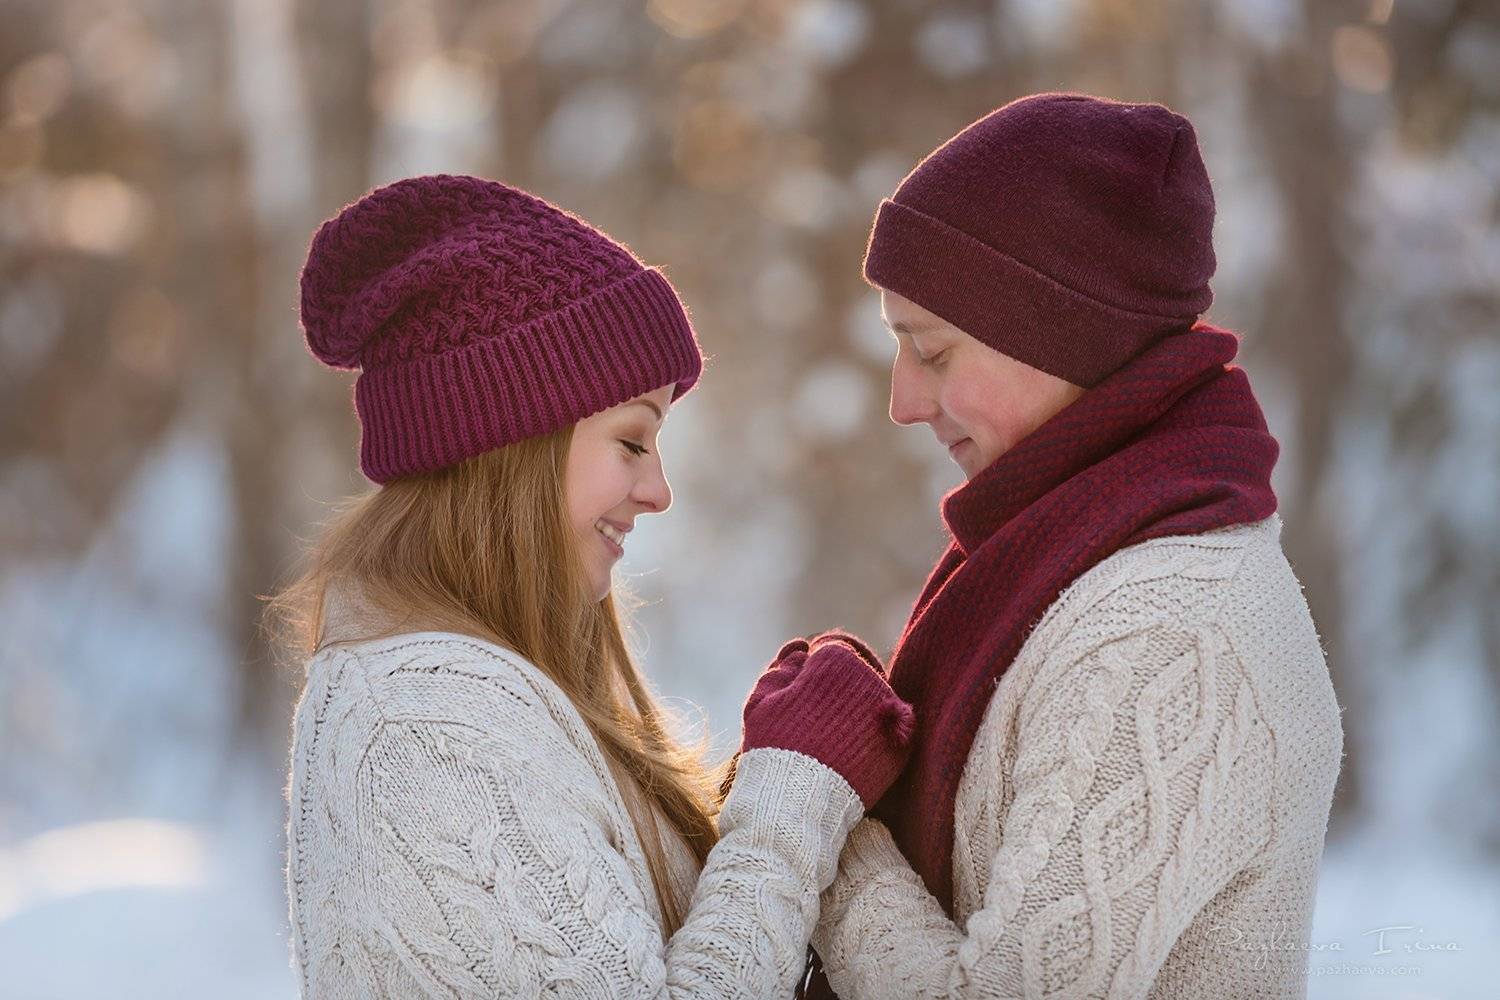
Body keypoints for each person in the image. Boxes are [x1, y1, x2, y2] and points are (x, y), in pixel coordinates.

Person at [271, 173, 915, 998]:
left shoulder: (473, 699)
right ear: (514, 438)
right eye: (632, 441)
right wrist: (790, 804)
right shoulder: (426, 730)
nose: (659, 490)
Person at [805, 93, 1345, 998]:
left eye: (931, 351)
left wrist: (833, 819)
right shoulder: (1068, 567)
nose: (902, 402)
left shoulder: (1172, 633)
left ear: (1061, 335)